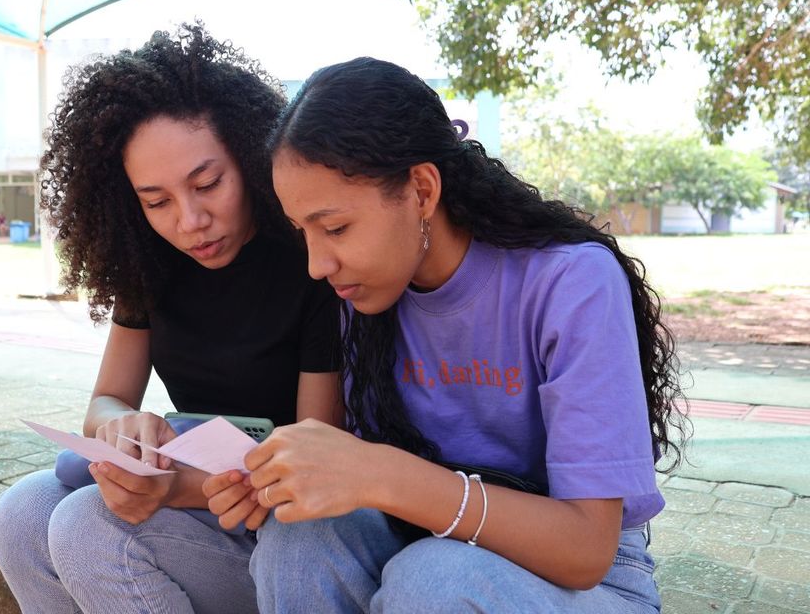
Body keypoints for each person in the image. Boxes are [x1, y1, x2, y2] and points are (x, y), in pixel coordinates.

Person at [204, 57, 687, 612]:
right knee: (299, 536)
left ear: (422, 190)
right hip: (422, 544)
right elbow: (372, 501)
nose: (316, 264)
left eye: (335, 227)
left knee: (434, 578)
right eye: (303, 232)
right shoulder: (365, 298)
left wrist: (382, 473)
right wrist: (277, 482)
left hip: (586, 584)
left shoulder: (571, 282)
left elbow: (586, 550)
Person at [0, 25, 340, 613]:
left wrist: (174, 488)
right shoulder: (149, 267)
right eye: (156, 202)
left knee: (83, 527)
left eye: (208, 184)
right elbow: (104, 401)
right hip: (187, 488)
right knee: (20, 514)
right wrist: (126, 427)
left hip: (278, 521)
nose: (190, 220)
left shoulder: (312, 266)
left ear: (251, 157)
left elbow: (318, 455)